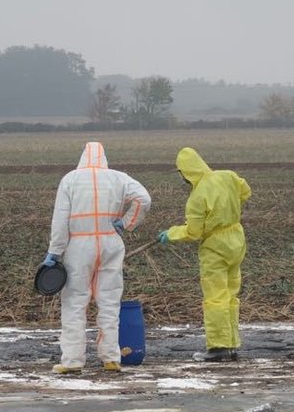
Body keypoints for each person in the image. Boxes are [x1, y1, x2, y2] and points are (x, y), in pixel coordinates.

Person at [42, 141, 151, 374]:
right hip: (110, 242)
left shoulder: (70, 179)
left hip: (79, 245)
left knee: (74, 303)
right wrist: (126, 223)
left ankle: (72, 361)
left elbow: (60, 219)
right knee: (109, 303)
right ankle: (111, 358)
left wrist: (55, 251)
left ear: (83, 157)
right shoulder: (119, 178)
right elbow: (144, 199)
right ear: (104, 158)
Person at [159, 146, 251, 362]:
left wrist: (171, 234)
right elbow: (246, 192)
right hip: (236, 239)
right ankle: (231, 345)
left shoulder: (197, 197)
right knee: (230, 295)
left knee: (215, 297)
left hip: (215, 247)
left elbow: (193, 232)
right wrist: (228, 209)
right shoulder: (227, 176)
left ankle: (218, 347)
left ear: (186, 172)